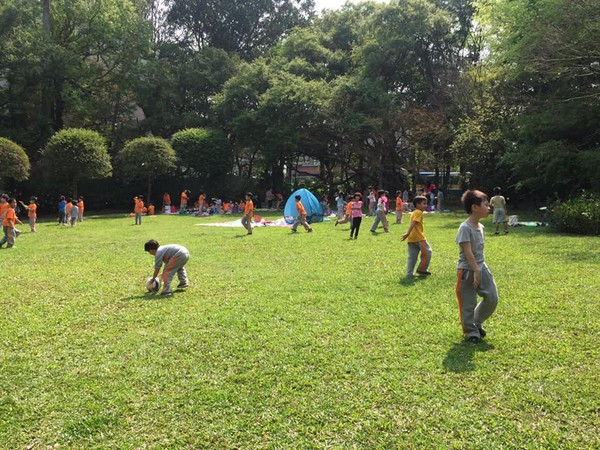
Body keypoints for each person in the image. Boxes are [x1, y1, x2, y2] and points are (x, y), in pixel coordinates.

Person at [455, 190, 498, 343]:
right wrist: (475, 270)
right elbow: (467, 251)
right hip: (467, 270)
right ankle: (470, 331)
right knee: (468, 303)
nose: (489, 208)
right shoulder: (465, 228)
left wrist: (480, 270)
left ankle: (476, 321)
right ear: (475, 207)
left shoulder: (481, 227)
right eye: (486, 205)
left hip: (481, 267)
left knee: (492, 297)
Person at [400, 196, 432, 277]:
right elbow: (414, 222)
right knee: (428, 252)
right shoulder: (418, 212)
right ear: (417, 204)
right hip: (419, 238)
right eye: (424, 203)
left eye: (426, 203)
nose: (426, 205)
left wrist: (408, 234)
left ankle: (409, 273)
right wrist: (407, 233)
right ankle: (422, 269)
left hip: (411, 238)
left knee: (412, 256)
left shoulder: (414, 212)